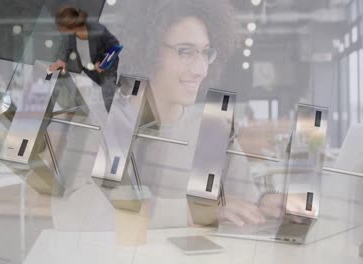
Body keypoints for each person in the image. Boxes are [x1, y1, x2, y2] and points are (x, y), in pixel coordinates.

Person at [110, 0, 283, 228]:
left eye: (205, 53)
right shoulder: (110, 121)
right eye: (185, 51)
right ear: (146, 48)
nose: (201, 69)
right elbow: (85, 214)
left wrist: (266, 202)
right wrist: (192, 212)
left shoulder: (211, 127)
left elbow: (242, 198)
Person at [49, 6, 120, 112]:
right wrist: (61, 60)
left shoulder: (98, 30)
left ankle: (117, 122)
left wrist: (102, 63)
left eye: (64, 29)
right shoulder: (70, 33)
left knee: (109, 100)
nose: (63, 32)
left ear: (72, 26)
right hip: (88, 69)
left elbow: (115, 46)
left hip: (106, 68)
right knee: (108, 89)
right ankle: (120, 93)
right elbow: (67, 48)